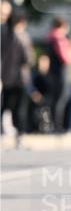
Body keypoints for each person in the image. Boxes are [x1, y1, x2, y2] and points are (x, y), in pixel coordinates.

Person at [1, 11, 31, 148]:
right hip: (20, 78)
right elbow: (28, 58)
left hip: (6, 77)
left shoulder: (3, 36)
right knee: (20, 109)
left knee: (5, 106)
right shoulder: (22, 37)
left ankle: (3, 132)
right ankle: (20, 137)